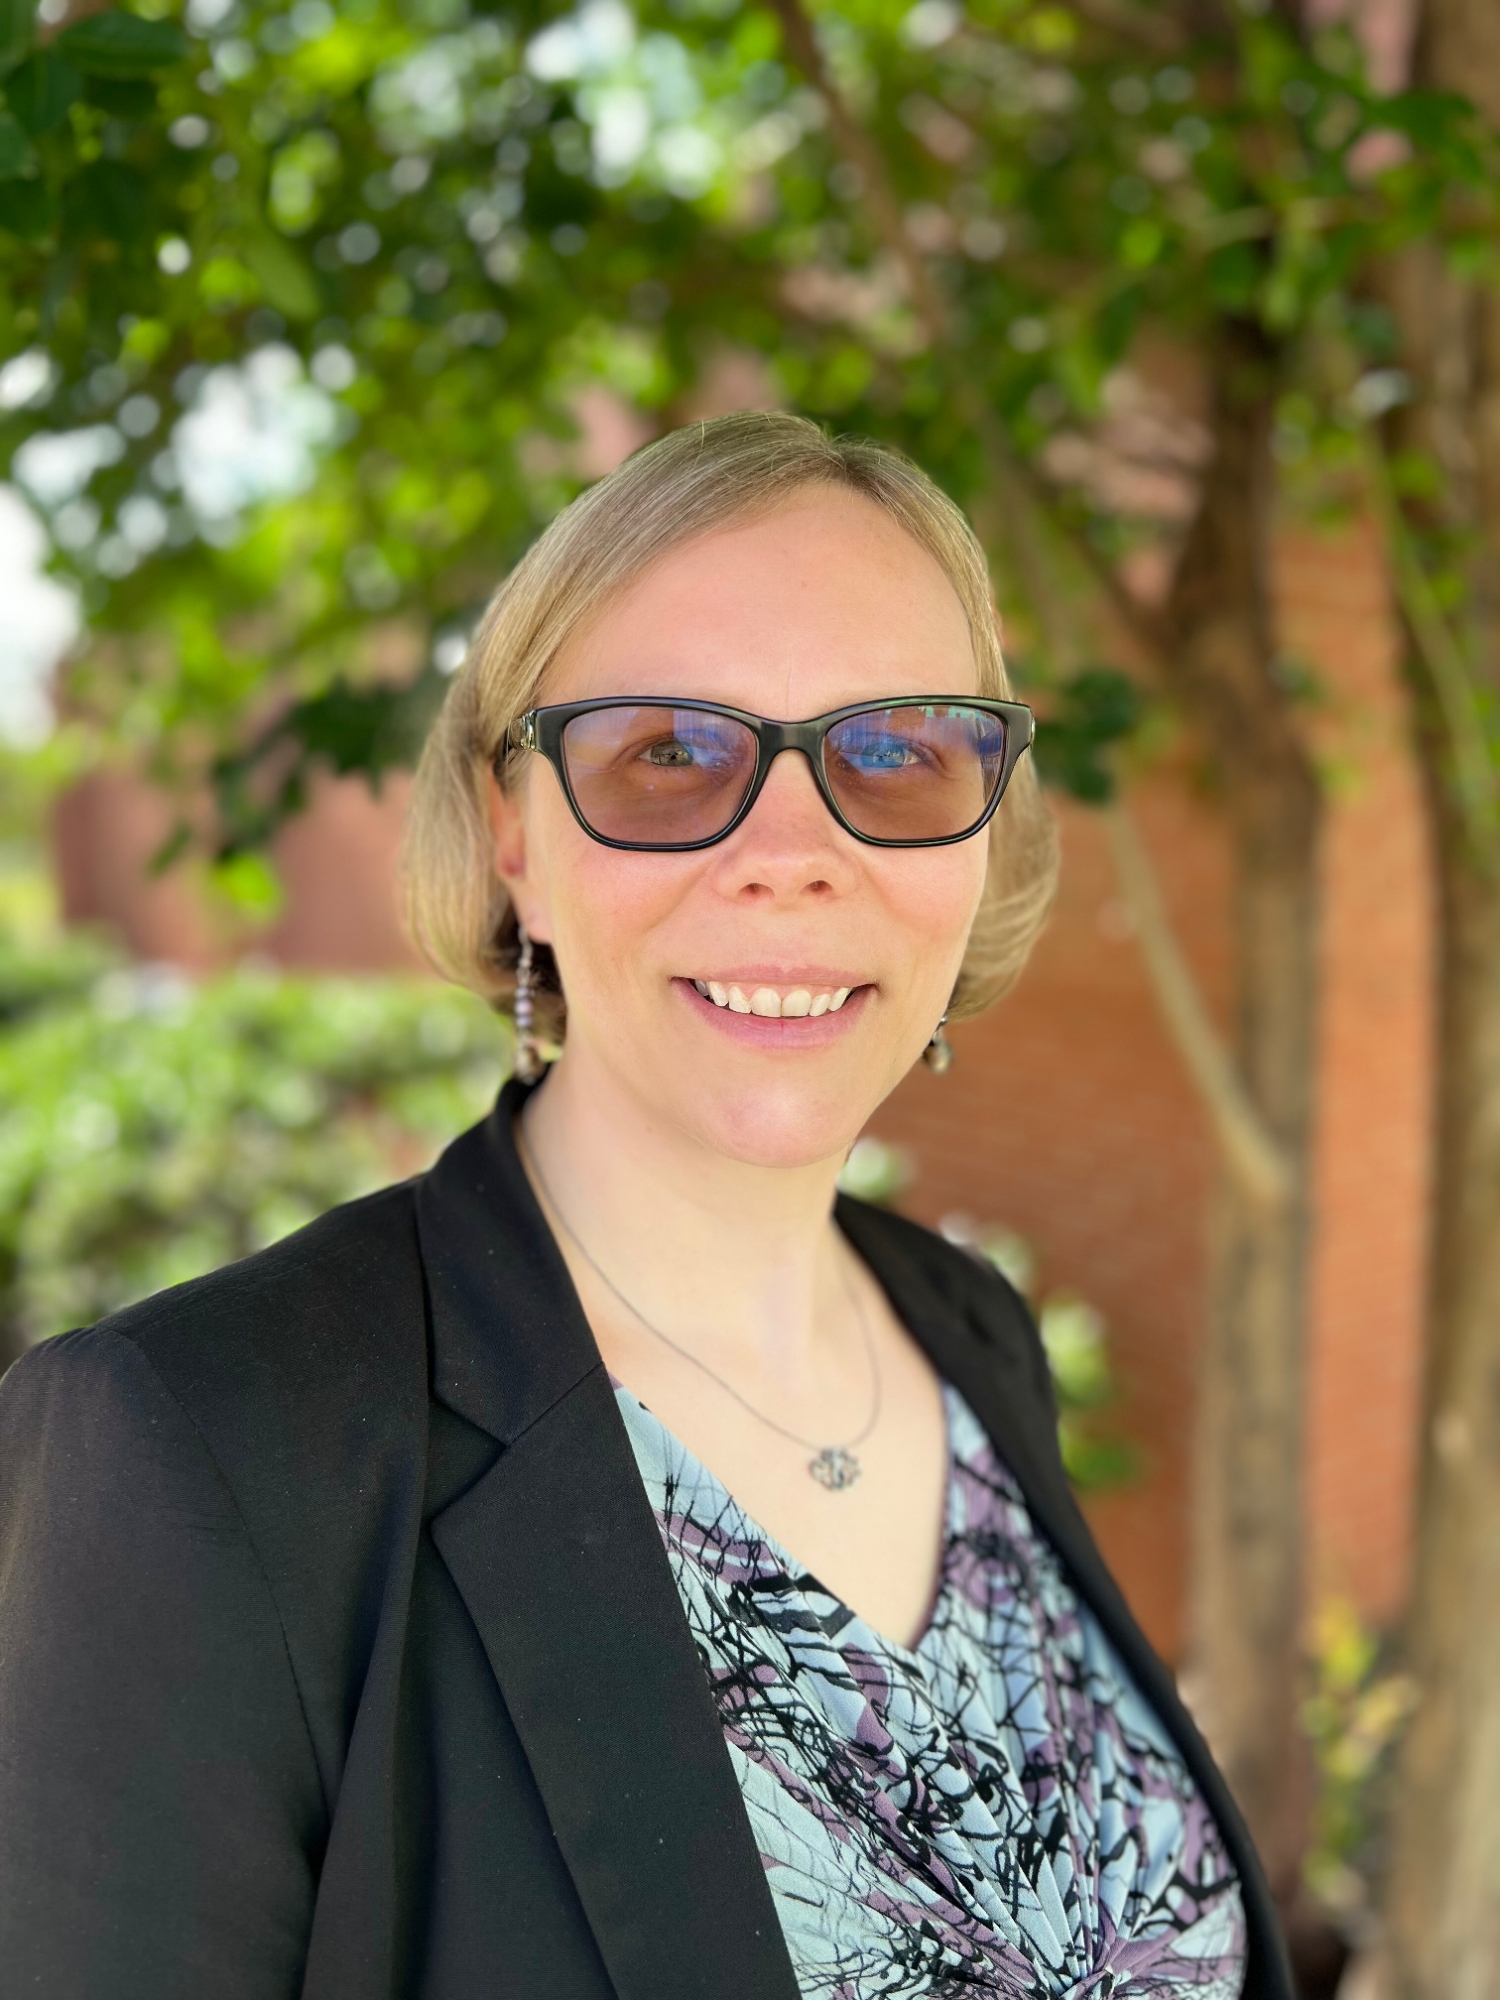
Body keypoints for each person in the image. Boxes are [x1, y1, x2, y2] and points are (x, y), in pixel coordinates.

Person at [0, 413, 1290, 2000]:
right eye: (668, 753)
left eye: (897, 752)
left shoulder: (974, 1338)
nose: (791, 857)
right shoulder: (199, 1445)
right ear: (512, 833)